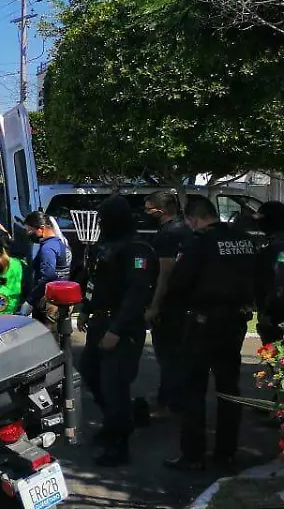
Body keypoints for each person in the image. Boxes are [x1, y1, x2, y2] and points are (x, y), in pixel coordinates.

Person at [164, 196, 256, 472]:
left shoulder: (198, 242)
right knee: (229, 387)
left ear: (193, 219)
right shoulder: (244, 240)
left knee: (193, 388)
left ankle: (192, 455)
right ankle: (226, 452)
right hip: (236, 320)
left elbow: (178, 282)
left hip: (203, 321)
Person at [77, 195, 157, 467]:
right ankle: (119, 421)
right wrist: (86, 309)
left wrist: (117, 330)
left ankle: (119, 444)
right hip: (100, 321)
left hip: (122, 327)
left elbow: (136, 293)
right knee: (90, 373)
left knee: (115, 385)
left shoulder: (137, 249)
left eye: (105, 219)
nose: (101, 224)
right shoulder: (106, 245)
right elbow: (95, 281)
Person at [142, 190, 193, 416]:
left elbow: (165, 273)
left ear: (160, 211)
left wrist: (154, 306)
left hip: (170, 305)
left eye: (148, 209)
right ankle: (181, 401)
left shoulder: (168, 234)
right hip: (187, 302)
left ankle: (167, 403)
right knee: (181, 356)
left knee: (168, 357)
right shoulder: (187, 229)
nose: (145, 213)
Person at [22, 211, 72, 314]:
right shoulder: (59, 243)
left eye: (30, 230)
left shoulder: (48, 248)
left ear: (41, 228)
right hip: (61, 296)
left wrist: (30, 301)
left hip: (48, 300)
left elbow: (48, 276)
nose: (28, 234)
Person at [254, 201, 284, 344]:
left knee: (273, 354)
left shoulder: (275, 249)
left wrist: (268, 312)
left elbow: (278, 282)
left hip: (275, 318)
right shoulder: (271, 246)